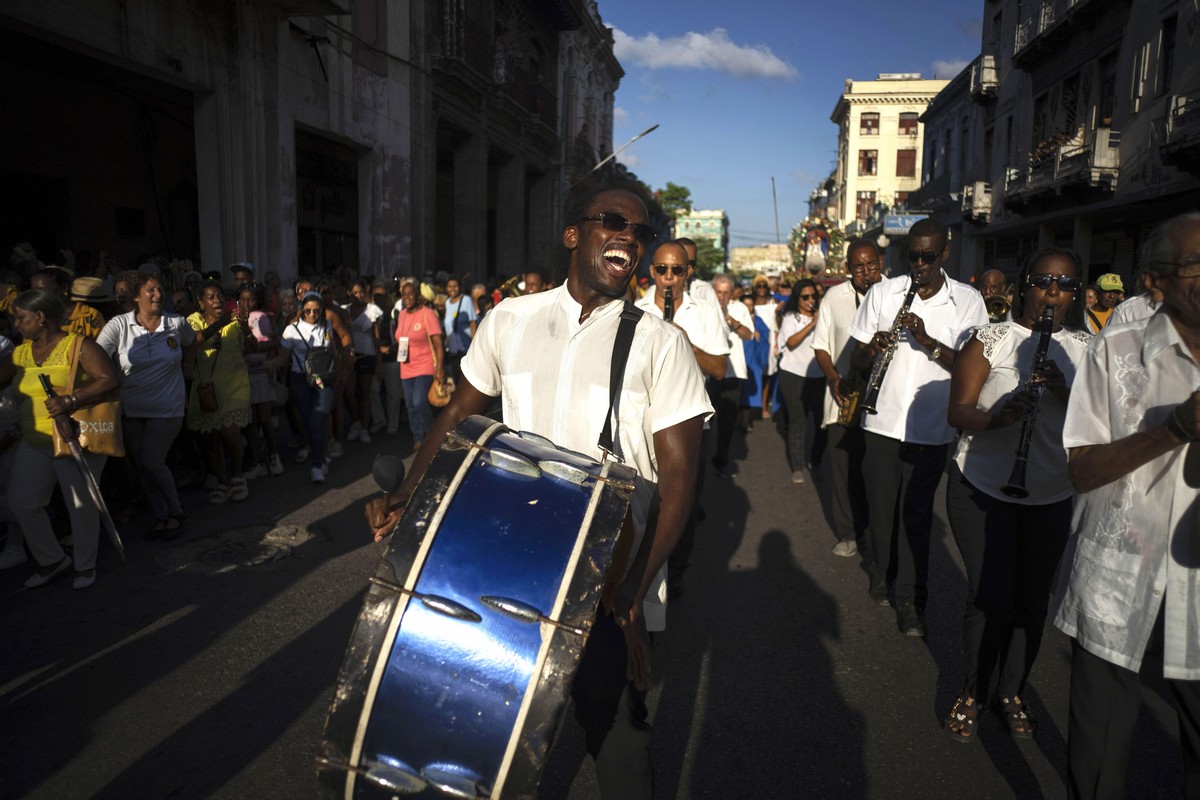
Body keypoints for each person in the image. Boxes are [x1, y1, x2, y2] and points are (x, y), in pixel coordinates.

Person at [366, 186, 710, 799]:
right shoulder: (510, 320)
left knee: (618, 733)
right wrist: (407, 496)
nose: (630, 236)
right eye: (614, 222)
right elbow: (456, 419)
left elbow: (679, 485)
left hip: (609, 573)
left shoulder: (662, 343)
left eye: (641, 228)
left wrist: (634, 591)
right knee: (489, 722)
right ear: (573, 234)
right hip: (511, 564)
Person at [1053, 213, 1200, 798]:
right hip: (1119, 577)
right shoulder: (1113, 350)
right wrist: (1170, 431)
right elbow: (1082, 469)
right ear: (1154, 282)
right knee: (1099, 751)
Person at [942, 248, 1092, 743]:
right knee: (991, 597)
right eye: (1044, 281)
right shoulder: (992, 339)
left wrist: (1064, 392)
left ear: (1075, 293)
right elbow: (959, 412)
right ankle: (973, 691)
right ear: (1024, 285)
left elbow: (1100, 427)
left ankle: (1012, 690)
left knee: (1030, 603)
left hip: (1049, 492)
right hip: (981, 487)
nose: (1053, 292)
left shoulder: (1086, 351)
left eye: (1065, 284)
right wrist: (998, 417)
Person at [848, 219, 988, 635]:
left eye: (929, 256)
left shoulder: (967, 301)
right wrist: (872, 348)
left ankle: (911, 598)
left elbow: (972, 368)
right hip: (880, 423)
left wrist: (928, 342)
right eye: (913, 256)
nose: (920, 264)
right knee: (880, 510)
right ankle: (881, 568)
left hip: (931, 430)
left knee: (916, 515)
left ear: (945, 254)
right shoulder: (883, 292)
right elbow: (854, 359)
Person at [0, 290, 119, 589]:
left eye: (21, 317)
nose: (16, 324)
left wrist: (70, 400)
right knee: (22, 502)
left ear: (40, 318)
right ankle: (52, 559)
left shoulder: (79, 345)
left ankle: (85, 564)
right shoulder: (21, 352)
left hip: (73, 437)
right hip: (34, 441)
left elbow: (109, 379)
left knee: (80, 505)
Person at [636, 240, 728, 599]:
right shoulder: (637, 307)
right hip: (644, 419)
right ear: (652, 272)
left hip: (688, 423)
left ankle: (676, 570)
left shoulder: (704, 311)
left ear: (688, 272)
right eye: (662, 270)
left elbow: (719, 368)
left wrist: (684, 343)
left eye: (677, 270)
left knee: (681, 502)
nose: (669, 278)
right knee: (645, 498)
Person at [96, 271, 196, 539]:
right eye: (151, 290)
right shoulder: (118, 325)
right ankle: (161, 514)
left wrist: (188, 366)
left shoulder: (175, 322)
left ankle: (175, 511)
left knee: (152, 460)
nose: (158, 294)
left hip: (168, 408)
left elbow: (192, 341)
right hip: (132, 411)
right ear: (136, 296)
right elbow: (95, 355)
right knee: (143, 464)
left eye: (160, 289)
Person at [812, 238, 883, 558]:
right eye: (859, 267)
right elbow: (821, 345)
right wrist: (833, 378)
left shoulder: (896, 294)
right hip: (844, 395)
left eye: (872, 264)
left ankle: (872, 529)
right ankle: (847, 533)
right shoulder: (834, 297)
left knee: (873, 472)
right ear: (848, 269)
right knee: (841, 470)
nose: (867, 272)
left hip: (883, 402)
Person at [186, 281, 255, 503]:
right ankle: (222, 481)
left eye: (219, 296)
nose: (217, 300)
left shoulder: (235, 321)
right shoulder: (192, 321)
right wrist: (222, 322)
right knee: (212, 437)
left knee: (231, 432)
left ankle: (237, 475)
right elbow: (194, 342)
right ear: (201, 303)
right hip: (207, 388)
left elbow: (251, 347)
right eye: (211, 297)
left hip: (235, 383)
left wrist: (245, 328)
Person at [279, 292, 341, 483]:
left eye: (316, 311)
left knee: (318, 420)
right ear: (301, 310)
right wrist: (271, 364)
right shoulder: (290, 330)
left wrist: (340, 371)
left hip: (324, 380)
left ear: (321, 310)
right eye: (308, 311)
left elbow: (333, 353)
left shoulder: (327, 326)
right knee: (309, 423)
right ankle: (321, 458)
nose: (312, 314)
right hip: (300, 381)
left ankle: (316, 466)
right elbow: (282, 358)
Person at [776, 278, 825, 484]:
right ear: (797, 299)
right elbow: (791, 342)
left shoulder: (823, 316)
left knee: (822, 423)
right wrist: (813, 323)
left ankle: (816, 460)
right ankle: (797, 465)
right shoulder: (790, 317)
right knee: (799, 422)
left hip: (820, 375)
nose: (810, 300)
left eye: (814, 296)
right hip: (794, 374)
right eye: (805, 297)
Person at [237, 282, 284, 478]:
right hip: (244, 376)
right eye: (243, 299)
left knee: (264, 418)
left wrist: (252, 348)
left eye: (251, 299)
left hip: (261, 374)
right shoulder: (234, 320)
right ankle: (257, 462)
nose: (247, 303)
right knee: (250, 423)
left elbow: (272, 342)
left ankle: (274, 456)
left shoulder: (264, 318)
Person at [709, 273, 754, 477]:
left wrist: (732, 321)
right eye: (718, 292)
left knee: (727, 422)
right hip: (708, 373)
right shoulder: (704, 308)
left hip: (733, 372)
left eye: (726, 293)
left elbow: (749, 335)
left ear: (732, 293)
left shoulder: (739, 308)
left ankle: (721, 459)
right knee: (704, 422)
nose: (722, 297)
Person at [394, 279, 444, 447]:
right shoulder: (401, 315)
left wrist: (440, 368)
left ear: (417, 295)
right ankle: (418, 437)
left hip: (425, 365)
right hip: (406, 366)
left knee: (419, 401)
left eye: (410, 294)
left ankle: (432, 435)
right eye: (404, 294)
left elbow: (438, 343)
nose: (407, 297)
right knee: (410, 406)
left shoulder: (427, 313)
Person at [343, 278, 383, 443]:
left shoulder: (372, 310)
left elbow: (376, 336)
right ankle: (356, 422)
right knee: (349, 393)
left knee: (365, 394)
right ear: (348, 294)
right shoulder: (343, 310)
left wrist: (379, 361)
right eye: (355, 293)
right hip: (350, 355)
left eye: (361, 292)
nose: (359, 295)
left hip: (367, 353)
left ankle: (365, 428)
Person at [30, 267, 106, 338]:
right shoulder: (34, 317)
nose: (37, 295)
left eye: (42, 290)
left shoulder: (89, 316)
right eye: (34, 292)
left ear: (64, 288)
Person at [750, 274, 780, 417]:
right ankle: (750, 408)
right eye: (759, 286)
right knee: (753, 375)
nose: (762, 289)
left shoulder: (773, 304)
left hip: (769, 343)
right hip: (753, 343)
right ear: (754, 288)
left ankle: (763, 407)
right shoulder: (749, 305)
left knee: (767, 376)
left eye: (764, 286)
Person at [442, 275, 477, 384]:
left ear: (459, 287)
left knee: (465, 379)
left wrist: (474, 344)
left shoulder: (466, 300)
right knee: (456, 378)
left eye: (455, 286)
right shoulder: (447, 303)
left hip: (465, 347)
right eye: (450, 286)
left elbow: (472, 322)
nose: (452, 289)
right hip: (453, 348)